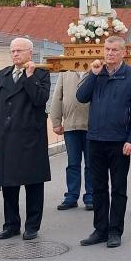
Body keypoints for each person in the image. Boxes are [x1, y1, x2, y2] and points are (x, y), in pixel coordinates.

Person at [76, 36, 131, 248]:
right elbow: (81, 97)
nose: (109, 53)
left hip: (120, 141)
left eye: (114, 50)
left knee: (118, 188)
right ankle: (100, 229)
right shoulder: (97, 74)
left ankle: (115, 230)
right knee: (98, 187)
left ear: (123, 52)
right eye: (107, 49)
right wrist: (93, 75)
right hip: (95, 139)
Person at [0, 38, 51, 240]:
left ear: (30, 53)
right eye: (13, 51)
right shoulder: (4, 74)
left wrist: (29, 76)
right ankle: (11, 224)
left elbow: (40, 100)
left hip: (30, 138)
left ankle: (32, 226)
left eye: (19, 51)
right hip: (6, 138)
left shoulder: (41, 73)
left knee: (33, 184)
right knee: (9, 185)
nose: (15, 54)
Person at [50, 71, 93, 211]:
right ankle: (71, 196)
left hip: (92, 126)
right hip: (70, 125)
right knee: (73, 164)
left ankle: (91, 196)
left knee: (91, 164)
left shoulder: (96, 69)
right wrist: (56, 121)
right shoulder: (65, 72)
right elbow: (57, 96)